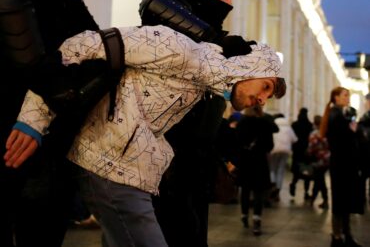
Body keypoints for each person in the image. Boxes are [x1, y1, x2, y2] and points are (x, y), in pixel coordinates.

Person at [6, 24, 287, 247]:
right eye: (265, 87)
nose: (263, 100)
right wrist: (34, 118)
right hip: (108, 167)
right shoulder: (178, 49)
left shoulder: (203, 80)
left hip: (125, 171)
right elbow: (79, 45)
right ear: (248, 68)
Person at [0, 0, 111, 247]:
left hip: (52, 150)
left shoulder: (66, 0)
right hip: (12, 149)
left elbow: (102, 59)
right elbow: (48, 78)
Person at [140, 0, 254, 246]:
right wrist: (218, 41)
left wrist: (222, 155)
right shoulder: (169, 17)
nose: (229, 2)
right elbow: (153, 4)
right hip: (163, 166)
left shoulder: (209, 40)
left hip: (194, 166)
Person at [320, 87, 364, 247]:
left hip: (342, 163)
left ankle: (344, 235)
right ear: (336, 98)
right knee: (340, 202)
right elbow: (345, 139)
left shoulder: (340, 114)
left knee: (344, 201)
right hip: (342, 164)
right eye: (345, 95)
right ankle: (338, 237)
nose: (348, 98)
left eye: (348, 95)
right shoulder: (337, 115)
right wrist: (353, 130)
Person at [232, 105, 276, 236]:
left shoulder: (242, 123)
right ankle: (257, 219)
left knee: (245, 189)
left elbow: (236, 142)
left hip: (246, 161)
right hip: (260, 161)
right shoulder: (265, 123)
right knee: (258, 191)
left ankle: (244, 214)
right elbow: (270, 145)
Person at [269, 114, 298, 203]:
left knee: (272, 169)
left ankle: (272, 184)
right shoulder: (288, 128)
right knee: (281, 170)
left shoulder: (273, 126)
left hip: (273, 150)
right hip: (285, 150)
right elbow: (295, 139)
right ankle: (278, 189)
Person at [289, 107, 313, 201]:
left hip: (297, 150)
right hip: (306, 151)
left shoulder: (295, 124)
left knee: (296, 171)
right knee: (307, 172)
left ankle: (293, 184)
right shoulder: (310, 125)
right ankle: (306, 192)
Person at [307, 115, 330, 209]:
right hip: (327, 159)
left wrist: (308, 153)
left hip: (318, 159)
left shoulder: (315, 134)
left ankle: (320, 199)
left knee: (319, 180)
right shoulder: (326, 132)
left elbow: (311, 147)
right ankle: (317, 199)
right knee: (319, 180)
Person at [357, 93, 370, 204]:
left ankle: (362, 199)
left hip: (365, 155)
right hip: (364, 155)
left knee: (362, 179)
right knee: (362, 179)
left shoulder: (364, 119)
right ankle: (362, 199)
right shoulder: (364, 119)